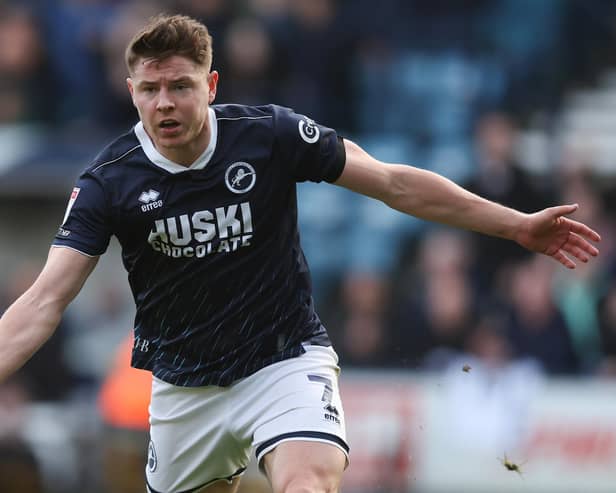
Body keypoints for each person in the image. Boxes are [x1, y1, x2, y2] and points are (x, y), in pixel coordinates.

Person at [0, 14, 601, 493]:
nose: (165, 104)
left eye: (180, 86)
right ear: (130, 91)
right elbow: (45, 300)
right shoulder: (109, 180)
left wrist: (516, 225)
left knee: (306, 483)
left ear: (210, 85)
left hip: (283, 360)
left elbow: (392, 182)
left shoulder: (269, 135)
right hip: (185, 388)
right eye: (150, 89)